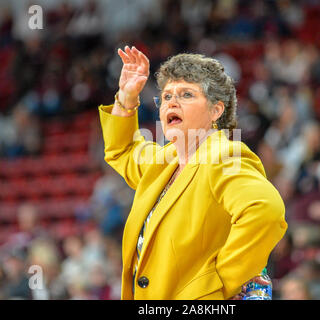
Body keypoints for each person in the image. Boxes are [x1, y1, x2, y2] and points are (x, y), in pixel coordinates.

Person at [98, 46, 287, 300]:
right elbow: (122, 150)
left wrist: (216, 285)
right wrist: (127, 96)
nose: (171, 103)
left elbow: (266, 211)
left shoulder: (224, 155)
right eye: (165, 97)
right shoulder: (165, 161)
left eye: (186, 94)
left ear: (216, 110)